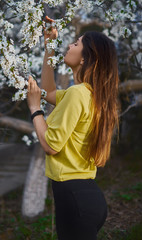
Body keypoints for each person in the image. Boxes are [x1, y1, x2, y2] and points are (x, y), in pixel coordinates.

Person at [27, 16, 120, 240]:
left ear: (86, 58)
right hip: (86, 197)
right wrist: (49, 47)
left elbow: (51, 144)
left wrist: (35, 108)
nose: (69, 45)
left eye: (76, 43)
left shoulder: (78, 94)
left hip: (74, 198)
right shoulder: (86, 93)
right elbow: (48, 93)